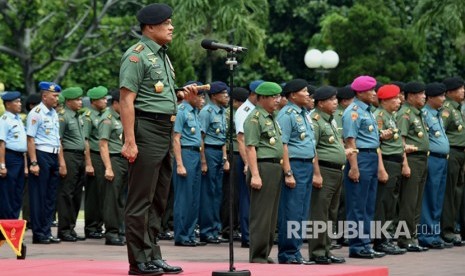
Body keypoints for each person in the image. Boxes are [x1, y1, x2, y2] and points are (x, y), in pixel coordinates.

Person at [119, 3, 194, 275]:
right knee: (141, 198)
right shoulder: (136, 56)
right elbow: (127, 99)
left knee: (160, 197)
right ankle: (138, 261)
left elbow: (160, 96)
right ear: (150, 27)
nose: (172, 27)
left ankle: (153, 255)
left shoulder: (162, 55)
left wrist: (182, 95)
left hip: (164, 129)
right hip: (146, 129)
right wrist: (130, 140)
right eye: (167, 23)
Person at [342, 76, 385, 259]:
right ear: (359, 92)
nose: (374, 94)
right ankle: (357, 246)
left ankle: (366, 243)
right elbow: (350, 140)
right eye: (371, 91)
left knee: (368, 205)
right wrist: (354, 167)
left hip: (371, 156)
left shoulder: (367, 111)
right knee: (357, 205)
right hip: (360, 158)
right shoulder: (353, 111)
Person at [276, 79, 315, 265]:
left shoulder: (304, 114)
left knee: (301, 211)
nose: (308, 94)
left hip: (306, 164)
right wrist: (288, 172)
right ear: (293, 95)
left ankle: (296, 251)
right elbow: (282, 144)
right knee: (291, 210)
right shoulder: (287, 114)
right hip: (295, 166)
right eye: (304, 91)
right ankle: (288, 253)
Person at [244, 81, 283, 263]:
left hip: (275, 167)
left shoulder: (271, 117)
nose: (278, 100)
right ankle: (257, 255)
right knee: (261, 216)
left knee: (271, 216)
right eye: (274, 97)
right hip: (263, 167)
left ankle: (265, 252)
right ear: (263, 98)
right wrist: (256, 174)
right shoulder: (255, 118)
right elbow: (250, 148)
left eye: (278, 96)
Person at [308, 86, 347, 264]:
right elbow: (312, 149)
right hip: (324, 170)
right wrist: (316, 173)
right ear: (321, 103)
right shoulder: (315, 120)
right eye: (331, 100)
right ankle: (317, 252)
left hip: (336, 170)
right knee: (319, 212)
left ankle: (327, 249)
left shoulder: (330, 120)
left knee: (331, 212)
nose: (336, 102)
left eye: (336, 99)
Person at [372, 85, 406, 255]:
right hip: (387, 161)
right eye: (395, 98)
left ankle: (387, 238)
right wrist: (381, 168)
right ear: (385, 100)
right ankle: (380, 240)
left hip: (395, 161)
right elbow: (375, 143)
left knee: (391, 202)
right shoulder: (379, 116)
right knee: (383, 203)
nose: (399, 101)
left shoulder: (390, 116)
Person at [396, 81, 430, 252]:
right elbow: (400, 141)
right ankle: (404, 237)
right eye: (421, 93)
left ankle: (413, 236)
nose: (424, 96)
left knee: (416, 201)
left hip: (422, 159)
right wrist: (405, 164)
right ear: (410, 96)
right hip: (412, 159)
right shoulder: (406, 114)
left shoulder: (419, 114)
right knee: (408, 201)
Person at [27, 81, 62, 244]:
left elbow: (57, 139)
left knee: (50, 197)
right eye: (54, 96)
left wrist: (61, 161)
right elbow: (31, 139)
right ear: (44, 95)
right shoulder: (36, 113)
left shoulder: (54, 113)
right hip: (41, 154)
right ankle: (38, 232)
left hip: (53, 155)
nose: (57, 99)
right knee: (39, 196)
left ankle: (47, 231)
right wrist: (33, 162)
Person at [418, 82, 452, 249]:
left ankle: (434, 233)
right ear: (430, 97)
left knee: (438, 198)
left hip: (442, 159)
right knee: (429, 197)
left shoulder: (437, 114)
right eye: (441, 95)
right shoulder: (424, 114)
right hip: (432, 159)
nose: (444, 99)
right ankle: (426, 235)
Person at [172, 83, 206, 247]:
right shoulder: (181, 111)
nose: (202, 99)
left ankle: (190, 234)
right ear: (189, 95)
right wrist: (179, 164)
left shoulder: (195, 112)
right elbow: (176, 138)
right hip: (185, 154)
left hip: (195, 154)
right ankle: (182, 236)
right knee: (184, 197)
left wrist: (203, 160)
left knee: (194, 197)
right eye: (199, 95)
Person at [198, 81, 230, 244]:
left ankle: (215, 229)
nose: (227, 97)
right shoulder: (207, 112)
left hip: (218, 152)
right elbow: (201, 138)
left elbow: (222, 137)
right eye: (224, 94)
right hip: (209, 151)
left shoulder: (222, 112)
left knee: (217, 192)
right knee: (208, 192)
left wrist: (225, 158)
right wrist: (203, 161)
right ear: (214, 96)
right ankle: (206, 231)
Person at [234, 80, 262, 248]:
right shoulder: (244, 111)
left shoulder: (257, 111)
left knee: (256, 199)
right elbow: (241, 139)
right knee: (247, 198)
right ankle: (247, 235)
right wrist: (247, 164)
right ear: (253, 95)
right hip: (247, 159)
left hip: (258, 158)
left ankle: (256, 234)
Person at [56, 87, 86, 242]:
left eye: (81, 99)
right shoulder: (63, 117)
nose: (80, 102)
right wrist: (62, 162)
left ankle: (71, 227)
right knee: (66, 193)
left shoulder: (78, 116)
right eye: (77, 99)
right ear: (68, 101)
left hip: (79, 156)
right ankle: (64, 229)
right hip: (69, 155)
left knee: (76, 194)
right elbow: (58, 141)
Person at [98, 89, 128, 246]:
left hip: (125, 160)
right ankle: (111, 232)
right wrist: (108, 167)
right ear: (116, 103)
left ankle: (122, 230)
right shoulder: (107, 119)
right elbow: (103, 144)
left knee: (123, 199)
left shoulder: (123, 117)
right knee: (112, 198)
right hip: (114, 159)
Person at [440, 76, 465, 246]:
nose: (463, 91)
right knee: (449, 193)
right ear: (449, 92)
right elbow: (440, 132)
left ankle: (454, 226)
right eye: (460, 88)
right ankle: (447, 230)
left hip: (460, 153)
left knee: (458, 192)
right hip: (452, 153)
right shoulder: (447, 109)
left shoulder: (457, 109)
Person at [83, 86, 108, 240]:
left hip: (104, 155)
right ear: (94, 101)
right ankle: (91, 226)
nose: (106, 101)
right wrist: (89, 163)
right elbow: (85, 140)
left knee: (103, 193)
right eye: (102, 99)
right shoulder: (88, 116)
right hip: (93, 155)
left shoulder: (104, 115)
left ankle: (99, 225)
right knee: (93, 194)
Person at [0, 91, 27, 219]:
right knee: (8, 193)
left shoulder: (18, 119)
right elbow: (1, 144)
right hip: (9, 158)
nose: (19, 104)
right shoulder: (4, 120)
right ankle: (7, 227)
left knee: (17, 193)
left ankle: (14, 227)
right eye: (16, 102)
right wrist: (2, 165)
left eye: (20, 101)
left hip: (20, 157)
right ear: (8, 104)